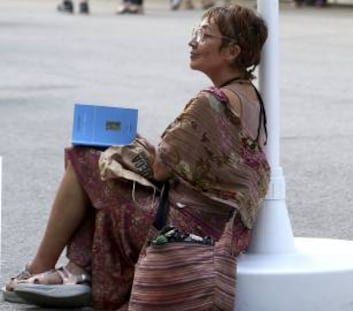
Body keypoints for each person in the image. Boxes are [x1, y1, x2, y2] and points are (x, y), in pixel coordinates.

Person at [2, 4, 270, 311]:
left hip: (184, 228)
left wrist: (134, 148)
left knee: (86, 160)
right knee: (102, 160)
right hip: (225, 228)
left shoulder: (211, 103)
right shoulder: (251, 97)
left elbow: (160, 170)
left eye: (203, 35)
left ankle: (46, 266)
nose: (192, 41)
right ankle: (77, 269)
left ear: (232, 51)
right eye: (195, 32)